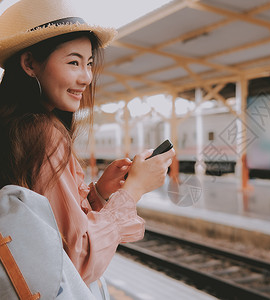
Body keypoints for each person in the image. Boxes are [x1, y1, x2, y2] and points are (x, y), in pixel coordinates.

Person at [0, 0, 175, 292]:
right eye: (73, 62)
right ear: (30, 63)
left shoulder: (12, 127)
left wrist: (100, 193)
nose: (87, 77)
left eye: (89, 63)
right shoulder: (43, 135)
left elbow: (44, 225)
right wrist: (133, 190)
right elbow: (77, 259)